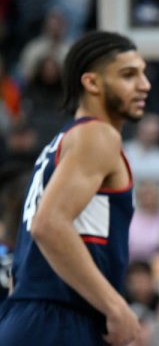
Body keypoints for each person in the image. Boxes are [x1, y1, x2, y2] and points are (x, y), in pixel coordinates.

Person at [0, 31, 150, 345]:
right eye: (128, 75)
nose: (144, 84)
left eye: (144, 73)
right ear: (92, 83)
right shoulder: (97, 135)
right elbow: (49, 224)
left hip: (34, 314)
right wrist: (116, 307)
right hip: (58, 318)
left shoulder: (59, 144)